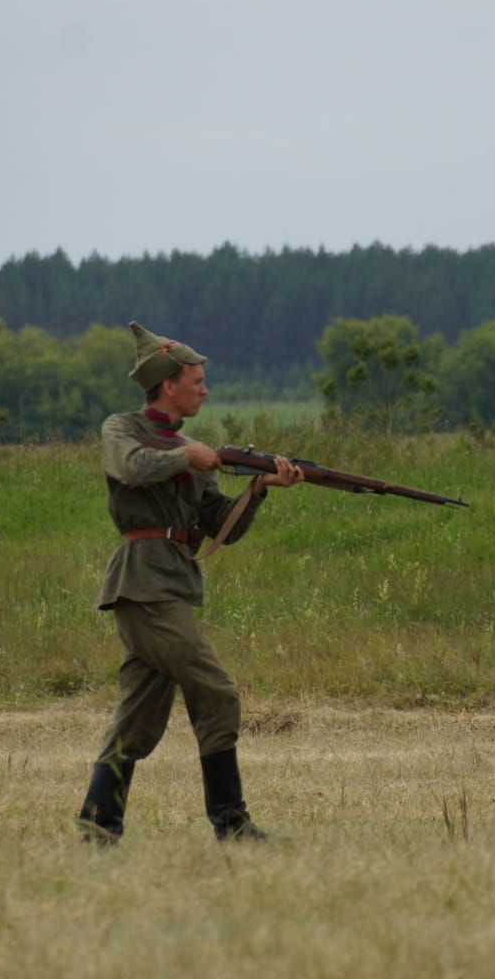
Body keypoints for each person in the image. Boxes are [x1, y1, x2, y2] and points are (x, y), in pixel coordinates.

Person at [75, 322, 301, 844]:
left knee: (137, 721)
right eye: (197, 381)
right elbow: (129, 469)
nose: (205, 389)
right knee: (217, 694)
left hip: (168, 585)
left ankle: (97, 823)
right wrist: (185, 457)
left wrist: (261, 488)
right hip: (144, 586)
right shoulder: (123, 428)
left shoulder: (195, 451)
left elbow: (222, 525)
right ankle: (231, 823)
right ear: (169, 383)